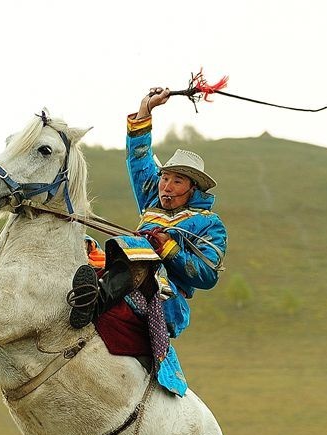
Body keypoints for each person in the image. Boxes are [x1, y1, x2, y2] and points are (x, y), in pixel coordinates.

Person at [66, 87, 227, 395]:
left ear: (192, 189)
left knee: (141, 252)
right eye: (165, 178)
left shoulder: (209, 225)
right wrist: (145, 109)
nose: (166, 186)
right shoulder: (153, 198)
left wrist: (168, 248)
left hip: (166, 296)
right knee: (80, 243)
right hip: (126, 273)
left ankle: (92, 303)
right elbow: (139, 160)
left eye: (176, 181)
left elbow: (208, 275)